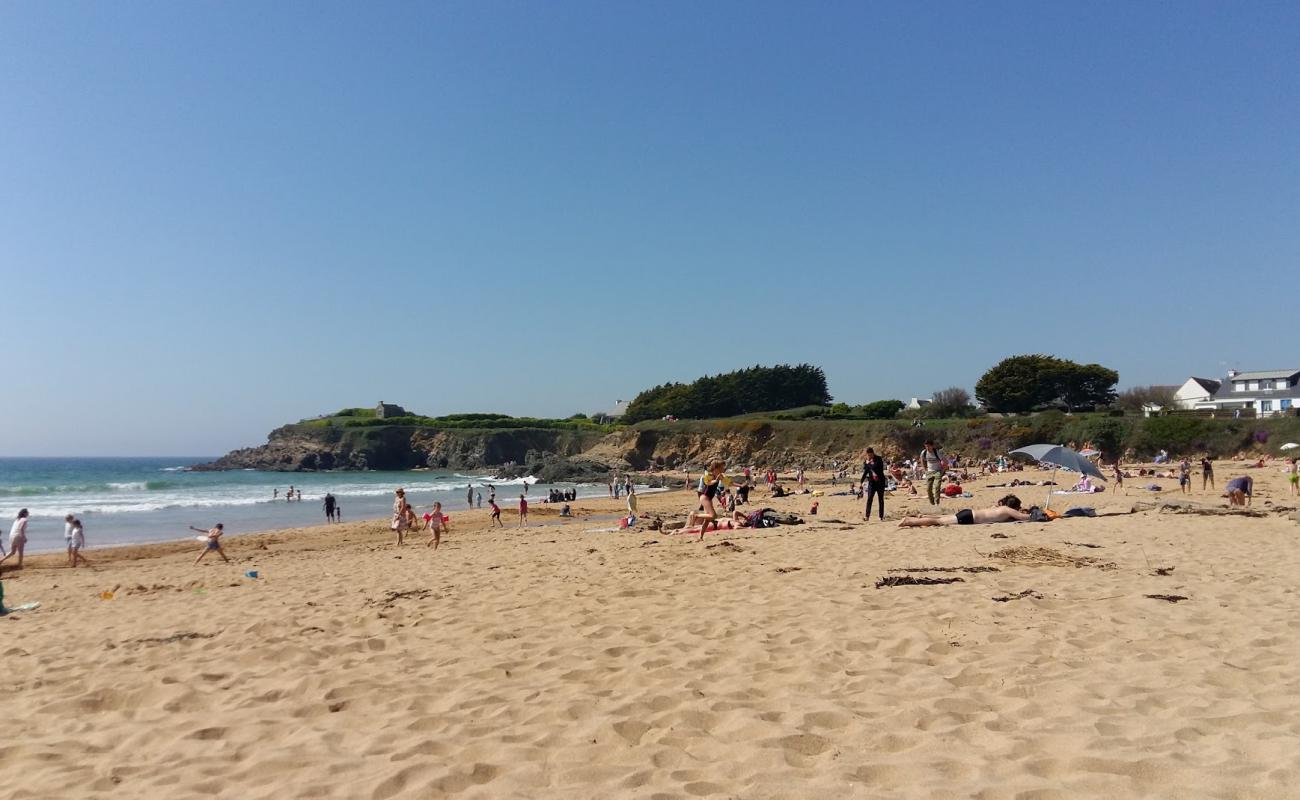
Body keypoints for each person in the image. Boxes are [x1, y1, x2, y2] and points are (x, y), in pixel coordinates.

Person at [899, 495, 1032, 527]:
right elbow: (1025, 518)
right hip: (969, 518)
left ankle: (920, 517)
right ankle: (909, 521)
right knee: (938, 522)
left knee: (942, 518)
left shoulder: (1000, 508)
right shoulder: (1007, 510)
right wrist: (1041, 513)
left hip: (969, 513)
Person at [861, 447, 886, 522]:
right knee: (869, 499)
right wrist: (861, 481)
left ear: (873, 453)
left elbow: (877, 468)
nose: (869, 456)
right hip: (872, 482)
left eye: (870, 455)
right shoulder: (867, 461)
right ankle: (867, 516)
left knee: (880, 499)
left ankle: (881, 516)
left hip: (880, 482)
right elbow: (866, 470)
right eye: (868, 455)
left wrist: (869, 463)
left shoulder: (878, 459)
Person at [920, 441, 945, 506]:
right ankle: (932, 503)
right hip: (929, 472)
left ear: (932, 446)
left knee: (937, 487)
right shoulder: (924, 452)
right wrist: (925, 469)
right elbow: (922, 459)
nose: (927, 448)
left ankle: (937, 503)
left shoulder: (937, 452)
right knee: (928, 489)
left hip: (937, 471)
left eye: (928, 446)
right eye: (926, 446)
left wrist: (942, 471)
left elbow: (946, 461)